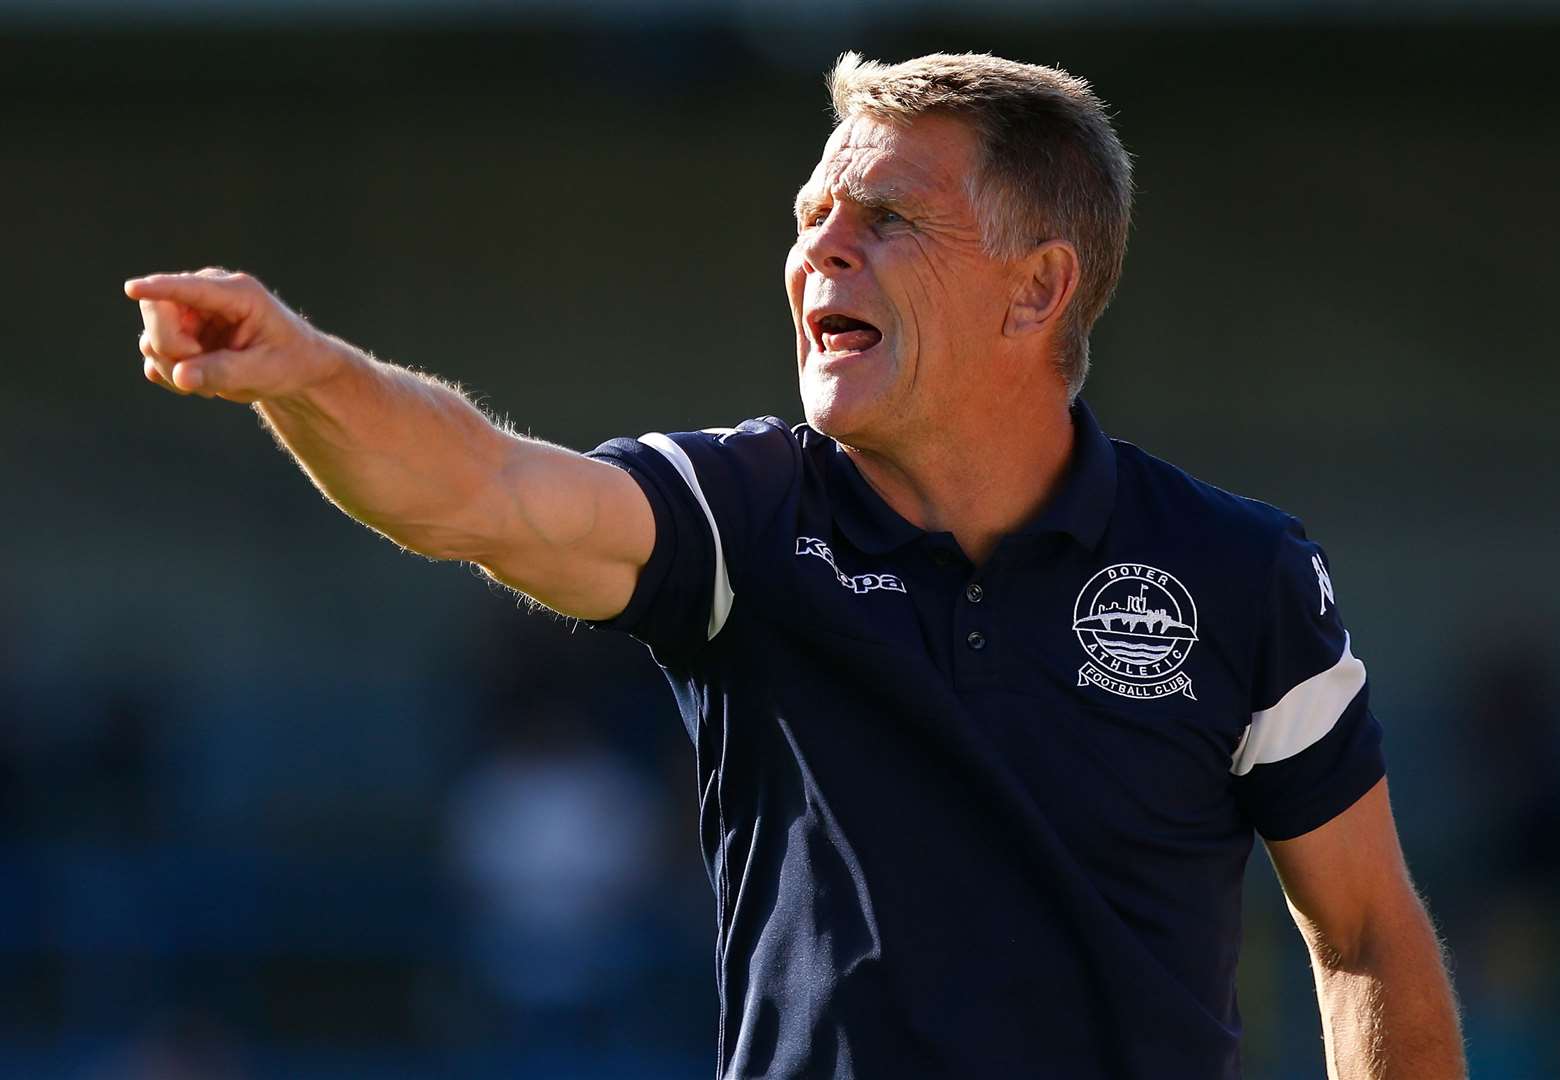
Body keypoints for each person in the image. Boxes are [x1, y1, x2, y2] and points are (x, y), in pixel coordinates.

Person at [127, 51, 1465, 1079]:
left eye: (885, 216)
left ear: (1036, 288)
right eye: (814, 212)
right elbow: (483, 490)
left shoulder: (1240, 573)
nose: (821, 245)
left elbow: (1364, 935)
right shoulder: (748, 517)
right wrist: (307, 375)